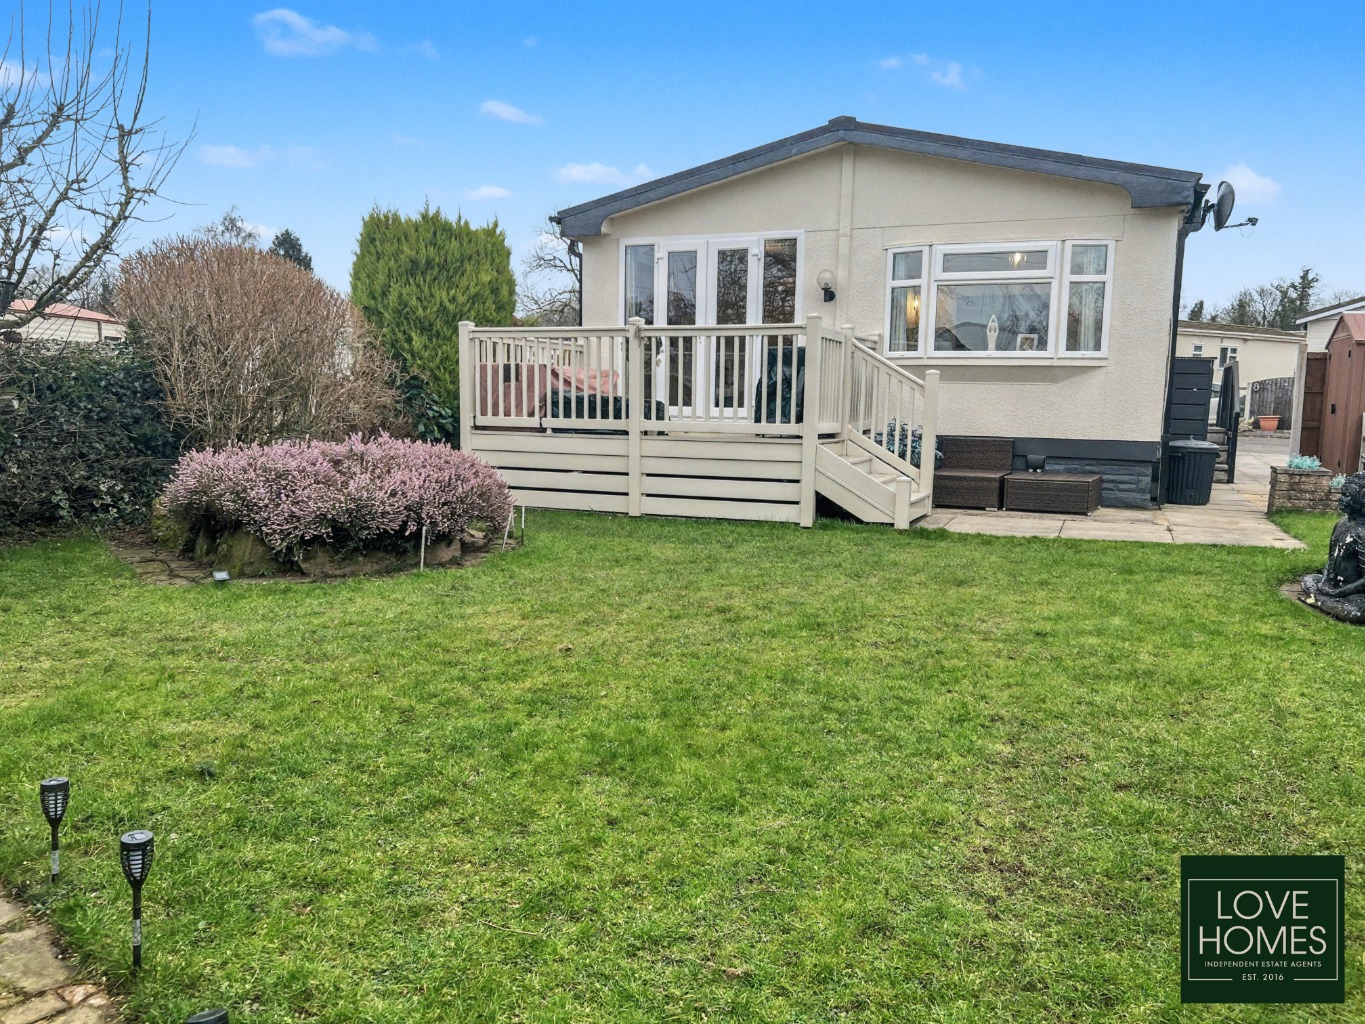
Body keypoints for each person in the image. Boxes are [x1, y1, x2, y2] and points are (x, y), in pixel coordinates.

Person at [1302, 473, 1365, 623]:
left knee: (1356, 611)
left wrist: (1338, 592)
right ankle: (1324, 599)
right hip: (1333, 584)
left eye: (1347, 495)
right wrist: (1325, 581)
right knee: (1309, 580)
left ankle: (1322, 600)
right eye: (1341, 494)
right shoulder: (1341, 524)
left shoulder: (1363, 534)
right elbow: (1331, 560)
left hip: (1354, 593)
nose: (1341, 499)